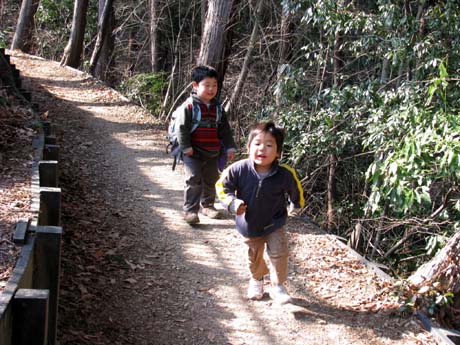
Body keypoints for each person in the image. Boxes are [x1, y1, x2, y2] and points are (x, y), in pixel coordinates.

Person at [216, 121, 304, 304]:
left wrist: (296, 204)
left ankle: (277, 285)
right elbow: (222, 187)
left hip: (275, 222)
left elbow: (295, 189)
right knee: (254, 255)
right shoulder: (238, 169)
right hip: (249, 224)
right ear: (249, 147)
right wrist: (232, 203)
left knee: (280, 253)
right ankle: (257, 279)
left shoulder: (285, 174)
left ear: (278, 152)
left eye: (269, 145)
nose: (262, 149)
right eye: (257, 144)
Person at [175, 65, 236, 225]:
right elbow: (181, 128)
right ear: (195, 86)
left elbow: (225, 130)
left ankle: (208, 206)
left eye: (214, 85)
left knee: (211, 179)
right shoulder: (188, 107)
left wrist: (230, 147)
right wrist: (186, 147)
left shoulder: (218, 109)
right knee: (193, 179)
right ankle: (190, 211)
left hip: (213, 152)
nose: (211, 89)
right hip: (192, 152)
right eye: (206, 85)